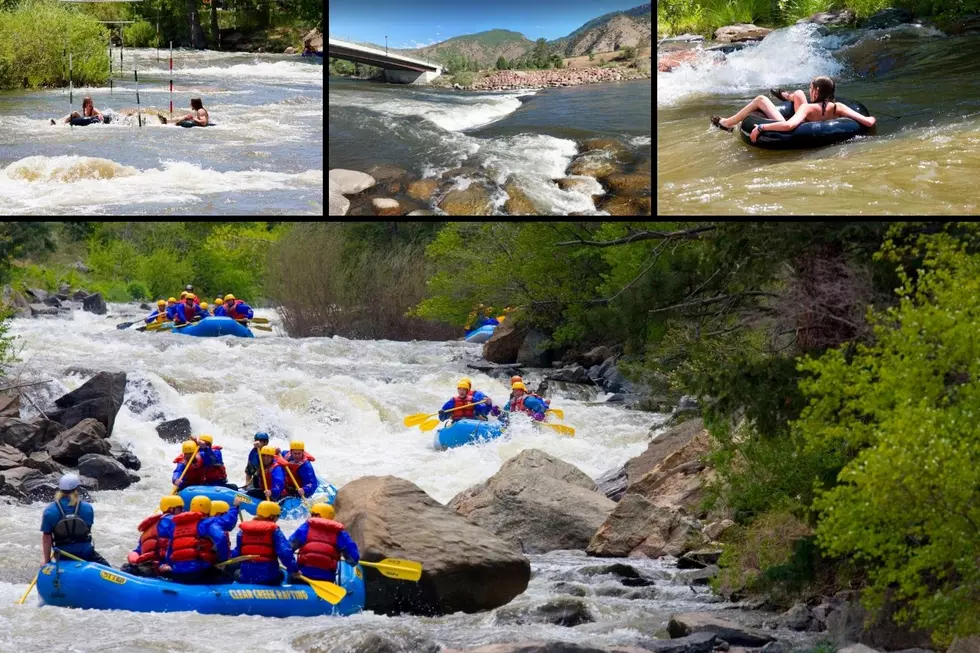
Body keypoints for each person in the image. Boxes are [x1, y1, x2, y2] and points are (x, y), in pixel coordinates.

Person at [710, 76, 877, 142]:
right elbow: (868, 121)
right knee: (798, 93)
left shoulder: (806, 108)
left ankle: (728, 123)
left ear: (816, 91)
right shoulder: (838, 107)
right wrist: (870, 119)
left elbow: (789, 126)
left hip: (793, 127)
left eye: (810, 88)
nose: (809, 90)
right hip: (811, 121)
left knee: (760, 99)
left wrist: (761, 127)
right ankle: (786, 95)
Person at [40, 474, 110, 566]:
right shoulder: (87, 508)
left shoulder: (49, 511)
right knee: (108, 568)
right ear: (77, 490)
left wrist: (47, 561)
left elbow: (46, 538)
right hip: (86, 554)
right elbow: (87, 530)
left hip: (62, 556)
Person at [157, 495, 229, 584]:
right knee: (228, 577)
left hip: (177, 573)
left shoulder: (177, 525)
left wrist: (173, 566)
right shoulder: (207, 524)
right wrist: (224, 559)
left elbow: (169, 552)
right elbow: (221, 538)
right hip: (198, 572)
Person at [232, 501, 299, 586]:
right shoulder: (274, 531)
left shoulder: (243, 531)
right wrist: (294, 570)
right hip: (269, 578)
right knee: (282, 574)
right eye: (277, 516)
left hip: (246, 576)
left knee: (236, 572)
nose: (277, 519)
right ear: (271, 516)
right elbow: (285, 552)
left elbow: (236, 553)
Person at [288, 503, 359, 584]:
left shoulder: (306, 527)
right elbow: (354, 559)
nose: (311, 516)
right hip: (326, 579)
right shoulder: (340, 533)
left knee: (288, 576)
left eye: (314, 514)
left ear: (318, 515)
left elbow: (288, 548)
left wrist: (292, 567)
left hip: (302, 576)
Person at [121, 495, 184, 577]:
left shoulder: (150, 525)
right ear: (171, 509)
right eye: (180, 508)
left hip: (147, 564)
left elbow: (138, 550)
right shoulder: (174, 521)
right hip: (161, 567)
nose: (183, 511)